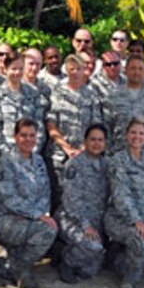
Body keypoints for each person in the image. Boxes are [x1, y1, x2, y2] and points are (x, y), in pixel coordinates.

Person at [0, 119, 58, 288]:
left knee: (50, 226)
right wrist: (35, 215)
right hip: (5, 218)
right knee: (47, 230)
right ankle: (21, 268)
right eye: (24, 135)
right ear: (15, 136)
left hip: (29, 218)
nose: (28, 139)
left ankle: (14, 265)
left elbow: (45, 192)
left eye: (32, 135)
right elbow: (9, 198)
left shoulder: (39, 160)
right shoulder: (5, 162)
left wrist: (39, 214)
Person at [103, 119, 144, 288]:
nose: (137, 137)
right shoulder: (118, 160)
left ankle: (118, 254)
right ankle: (129, 278)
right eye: (133, 132)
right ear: (126, 135)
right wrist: (136, 221)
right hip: (120, 219)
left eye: (141, 133)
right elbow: (120, 195)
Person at [55, 124, 110, 283]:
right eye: (92, 139)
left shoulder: (107, 164)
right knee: (93, 247)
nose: (96, 143)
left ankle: (67, 249)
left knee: (89, 272)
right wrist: (86, 225)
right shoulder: (75, 164)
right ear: (85, 141)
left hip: (96, 222)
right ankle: (66, 261)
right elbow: (71, 200)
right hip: (73, 220)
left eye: (100, 140)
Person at [46, 54, 103, 200]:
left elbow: (96, 126)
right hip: (60, 155)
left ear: (84, 70)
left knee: (84, 197)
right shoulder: (57, 93)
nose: (75, 72)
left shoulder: (91, 95)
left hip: (86, 154)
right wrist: (66, 148)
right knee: (59, 197)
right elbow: (51, 124)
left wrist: (83, 148)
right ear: (66, 70)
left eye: (79, 69)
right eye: (72, 69)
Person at [0, 52, 44, 156]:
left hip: (30, 155)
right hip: (5, 155)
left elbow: (39, 126)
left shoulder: (33, 93)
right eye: (13, 69)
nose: (17, 72)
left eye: (21, 69)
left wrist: (32, 151)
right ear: (5, 69)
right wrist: (8, 154)